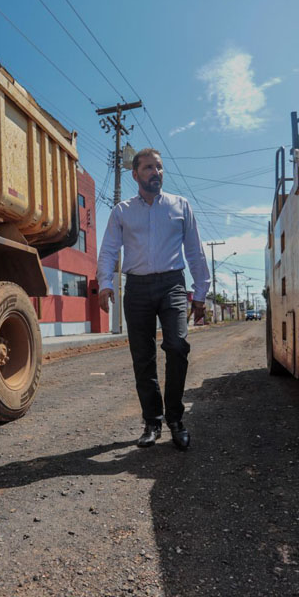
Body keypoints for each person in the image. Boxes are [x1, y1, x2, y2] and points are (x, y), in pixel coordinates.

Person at [97, 148, 210, 450]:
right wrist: (105, 283)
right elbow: (109, 249)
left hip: (172, 284)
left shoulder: (180, 206)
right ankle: (152, 421)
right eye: (148, 168)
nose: (155, 172)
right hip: (136, 288)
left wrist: (201, 292)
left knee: (177, 345)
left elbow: (195, 252)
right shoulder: (122, 211)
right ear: (135, 174)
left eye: (158, 167)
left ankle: (175, 418)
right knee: (142, 358)